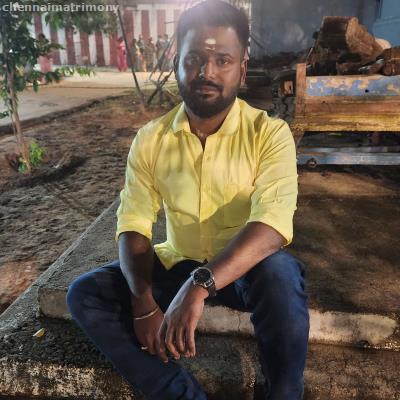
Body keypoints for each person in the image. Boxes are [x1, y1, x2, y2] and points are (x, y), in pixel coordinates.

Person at [66, 1, 309, 399]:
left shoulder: (269, 134)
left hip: (244, 272)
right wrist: (144, 303)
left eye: (222, 60)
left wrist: (199, 285)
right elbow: (133, 224)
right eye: (194, 58)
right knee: (85, 294)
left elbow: (272, 226)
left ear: (241, 69)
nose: (206, 72)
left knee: (281, 274)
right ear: (177, 63)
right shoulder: (151, 139)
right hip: (177, 264)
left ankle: (282, 393)